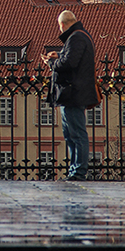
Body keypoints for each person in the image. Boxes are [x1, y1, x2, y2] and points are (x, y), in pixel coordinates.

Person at [42, 10, 97, 181]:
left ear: (62, 25)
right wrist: (59, 55)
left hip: (73, 93)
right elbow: (72, 58)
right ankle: (75, 170)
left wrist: (52, 63)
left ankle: (78, 171)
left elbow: (70, 63)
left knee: (77, 134)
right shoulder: (79, 36)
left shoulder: (76, 37)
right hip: (72, 93)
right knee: (71, 134)